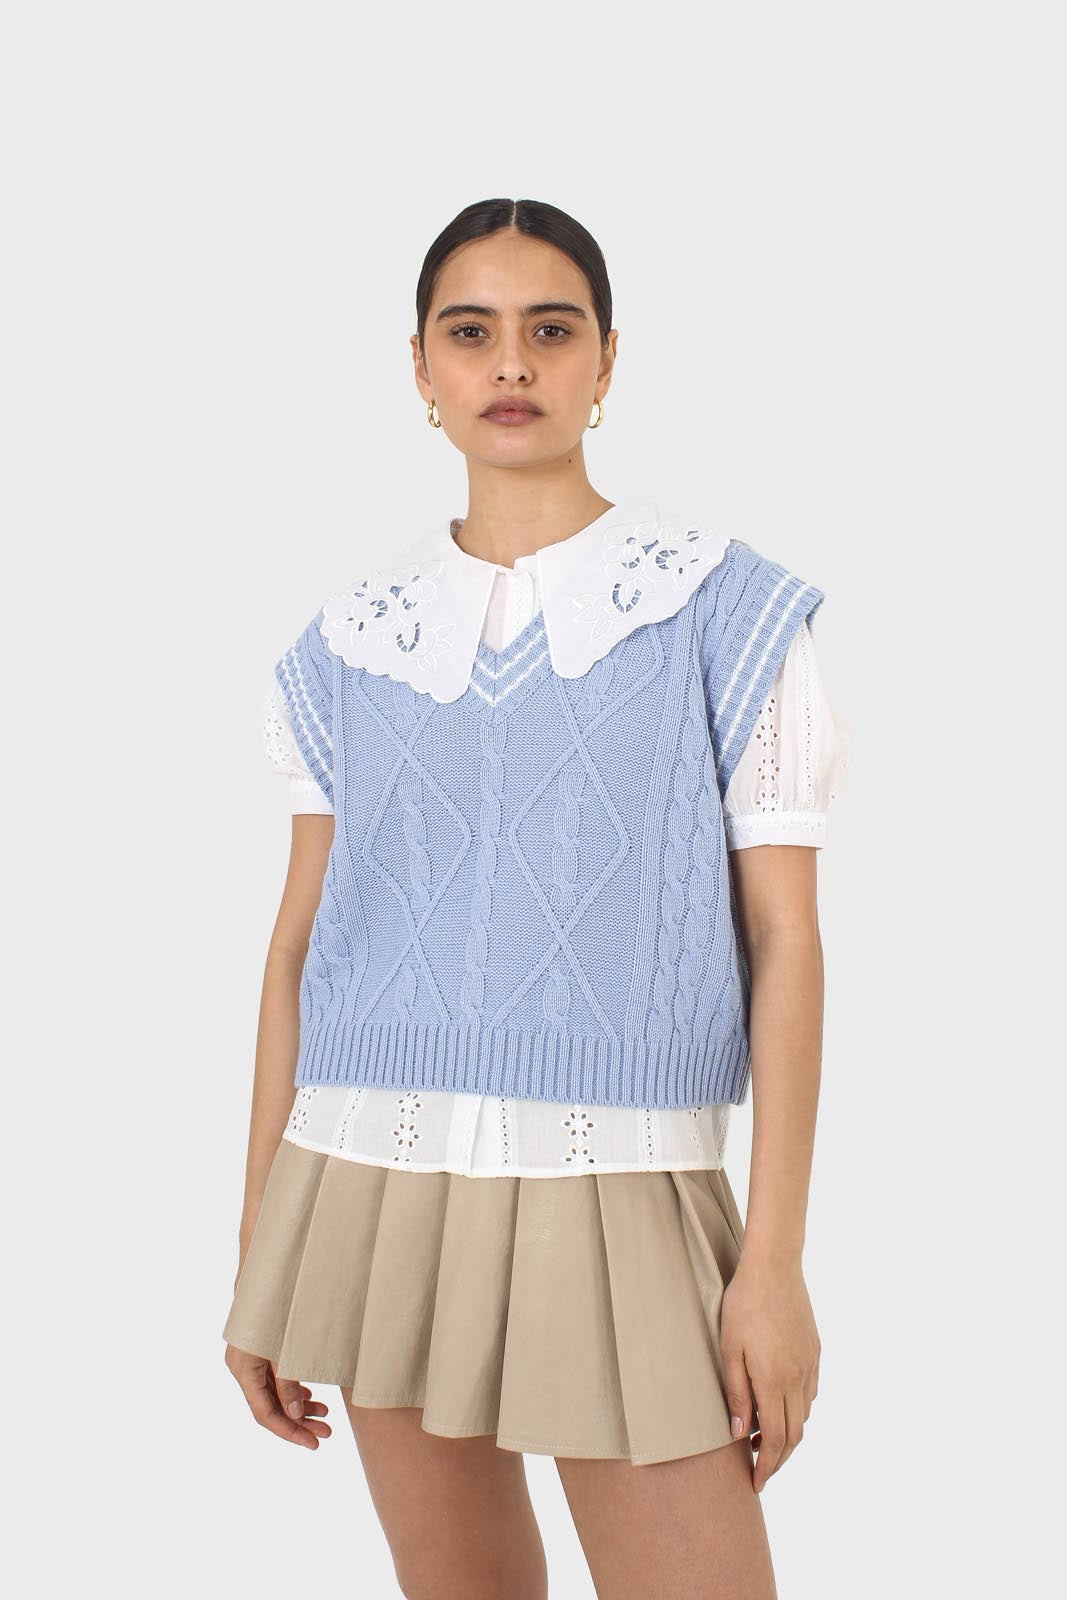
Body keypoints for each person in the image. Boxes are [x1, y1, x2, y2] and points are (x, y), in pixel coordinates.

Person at [222, 196, 850, 1599]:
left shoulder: (721, 610)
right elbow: (298, 945)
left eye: (551, 330)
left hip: (620, 1186)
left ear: (607, 361)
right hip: (365, 1179)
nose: (512, 364)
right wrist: (260, 1236)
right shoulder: (347, 644)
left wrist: (775, 1263)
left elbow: (784, 937)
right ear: (421, 367)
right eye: (472, 332)